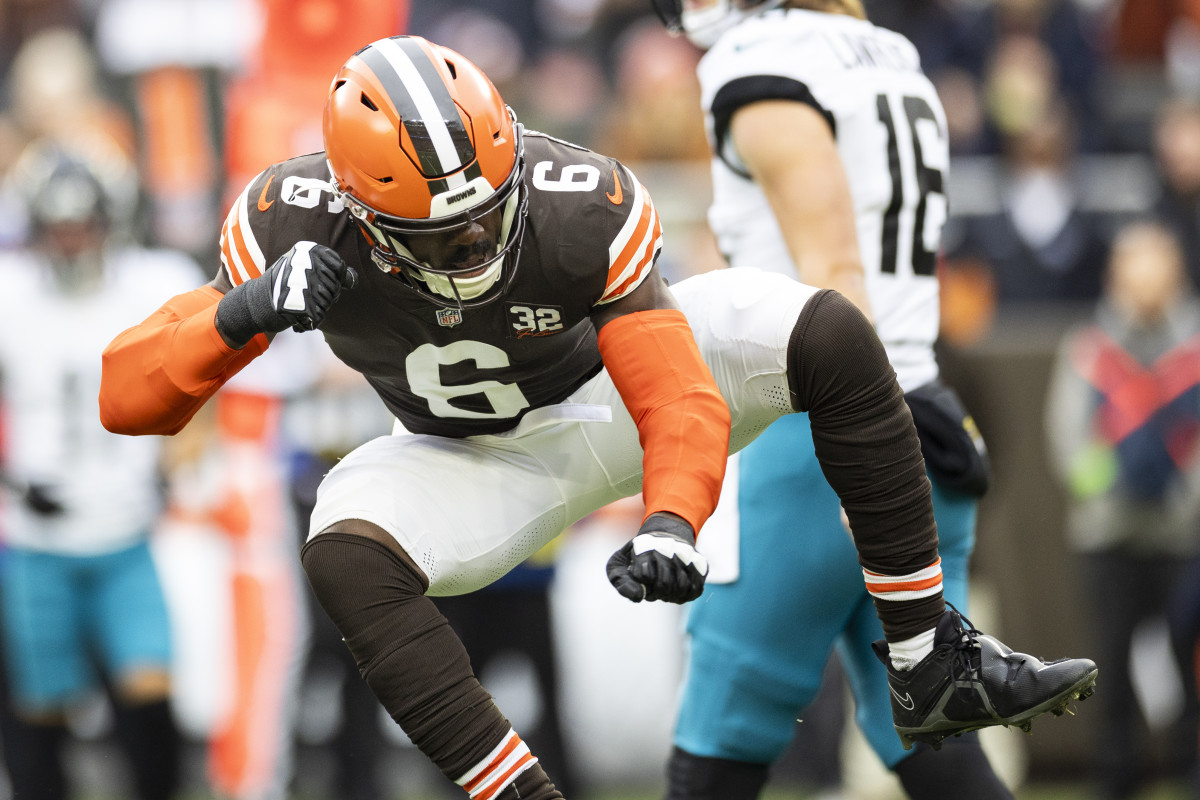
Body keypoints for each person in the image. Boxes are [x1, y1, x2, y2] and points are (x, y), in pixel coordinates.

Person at [98, 35, 1098, 800]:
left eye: (489, 213)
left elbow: (673, 390)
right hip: (462, 458)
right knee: (342, 548)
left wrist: (673, 514)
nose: (474, 242)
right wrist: (243, 311)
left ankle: (927, 654)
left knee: (826, 332)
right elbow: (126, 398)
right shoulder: (290, 214)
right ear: (360, 212)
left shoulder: (577, 198)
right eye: (440, 235)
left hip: (602, 399)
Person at [647, 2, 1016, 797]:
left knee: (716, 743)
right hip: (923, 417)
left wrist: (867, 465)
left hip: (821, 439)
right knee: (936, 748)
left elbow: (838, 281)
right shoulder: (887, 52)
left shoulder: (761, 58)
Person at [0, 143, 197, 800]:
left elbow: (215, 378)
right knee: (41, 716)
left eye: (81, 225)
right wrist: (11, 481)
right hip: (36, 543)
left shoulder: (150, 284)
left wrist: (172, 467)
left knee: (148, 702)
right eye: (57, 228)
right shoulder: (12, 293)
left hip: (126, 535)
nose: (70, 242)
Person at [1045, 220, 1200, 800]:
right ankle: (1115, 781)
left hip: (1185, 538)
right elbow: (1069, 442)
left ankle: (1189, 773)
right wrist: (1116, 489)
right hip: (1106, 537)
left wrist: (1182, 498)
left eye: (1156, 267)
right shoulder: (1091, 350)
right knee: (1106, 670)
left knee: (1192, 669)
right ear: (1116, 277)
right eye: (1135, 268)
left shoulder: (1194, 350)